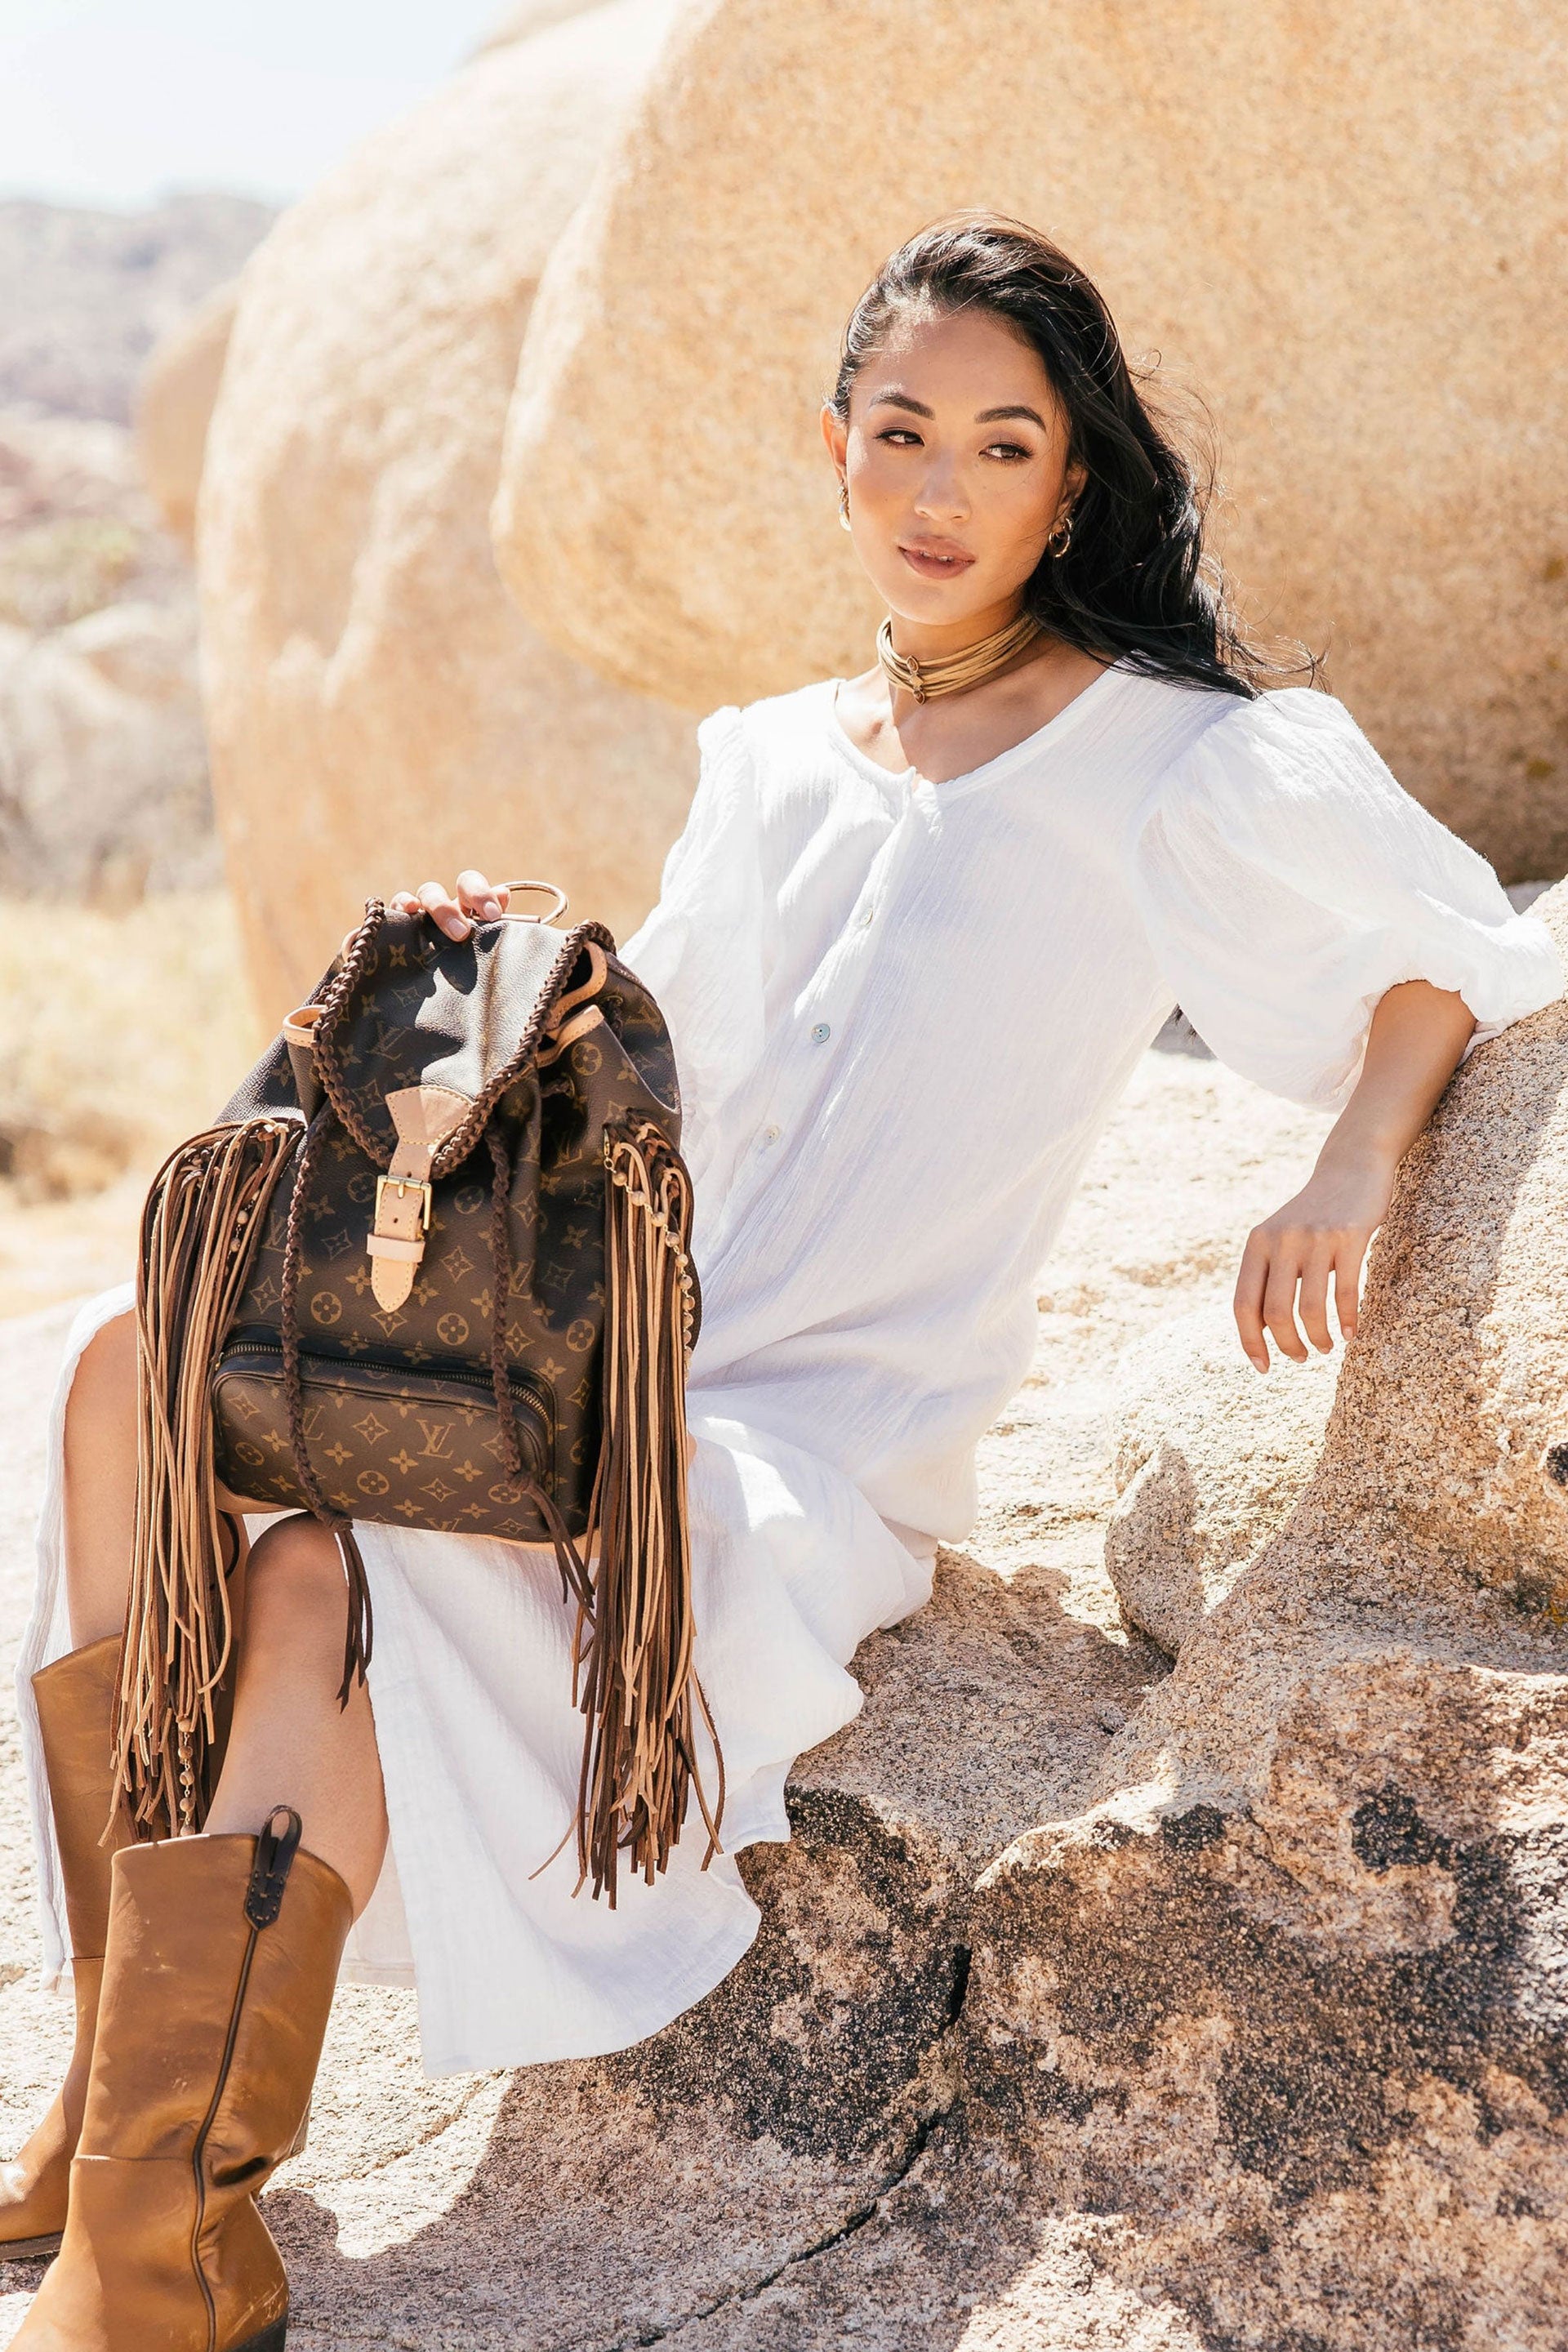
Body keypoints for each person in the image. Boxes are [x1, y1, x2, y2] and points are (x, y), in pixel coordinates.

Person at [6, 212, 1561, 2347]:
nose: (939, 492)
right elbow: (635, 1098)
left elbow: (1455, 944)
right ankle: (122, 2112)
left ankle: (160, 2208)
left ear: (1073, 485)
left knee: (305, 1576)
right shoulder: (766, 762)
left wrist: (1356, 1155)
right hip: (598, 1372)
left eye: (1001, 447)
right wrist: (486, 990)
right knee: (117, 1362)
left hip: (792, 1456)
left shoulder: (1181, 756)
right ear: (833, 447)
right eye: (900, 431)